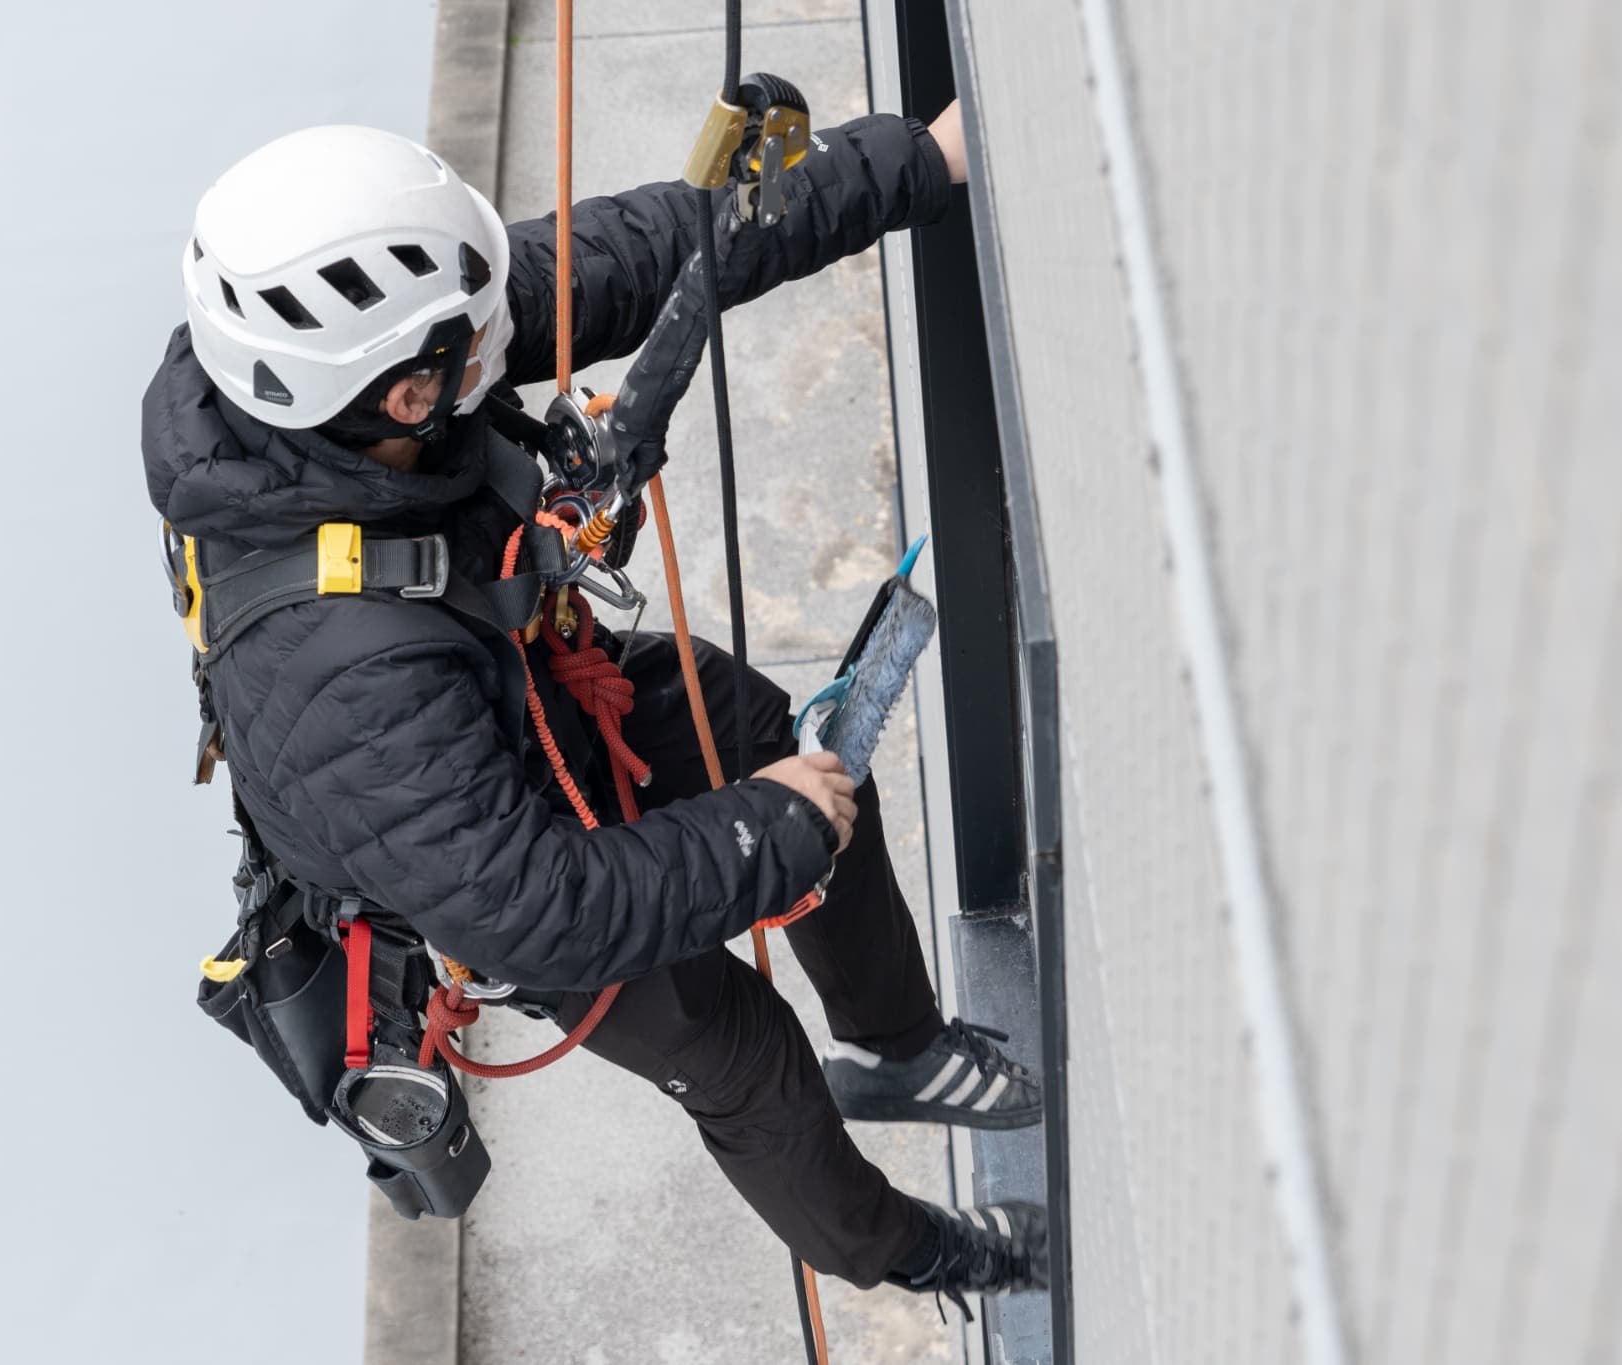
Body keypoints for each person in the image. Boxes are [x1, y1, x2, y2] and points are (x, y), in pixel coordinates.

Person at [140, 100, 1049, 1309]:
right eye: (464, 354)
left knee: (756, 733)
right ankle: (921, 1255)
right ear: (404, 400)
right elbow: (539, 911)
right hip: (481, 870)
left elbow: (654, 250)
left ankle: (899, 1045)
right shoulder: (343, 682)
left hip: (514, 708)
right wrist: (766, 834)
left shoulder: (346, 372)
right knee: (737, 1052)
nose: (493, 347)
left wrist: (917, 164)